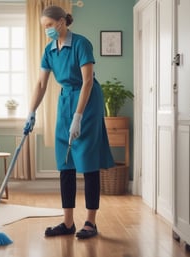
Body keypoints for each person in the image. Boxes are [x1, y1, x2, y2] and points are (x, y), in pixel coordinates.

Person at [23, 6, 114, 239]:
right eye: (44, 27)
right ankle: (67, 222)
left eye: (49, 26)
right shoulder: (50, 50)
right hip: (64, 102)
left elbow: (87, 82)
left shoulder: (81, 44)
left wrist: (79, 116)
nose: (47, 30)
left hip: (87, 103)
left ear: (62, 22)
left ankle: (91, 223)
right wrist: (31, 111)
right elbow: (42, 84)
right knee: (66, 162)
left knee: (88, 161)